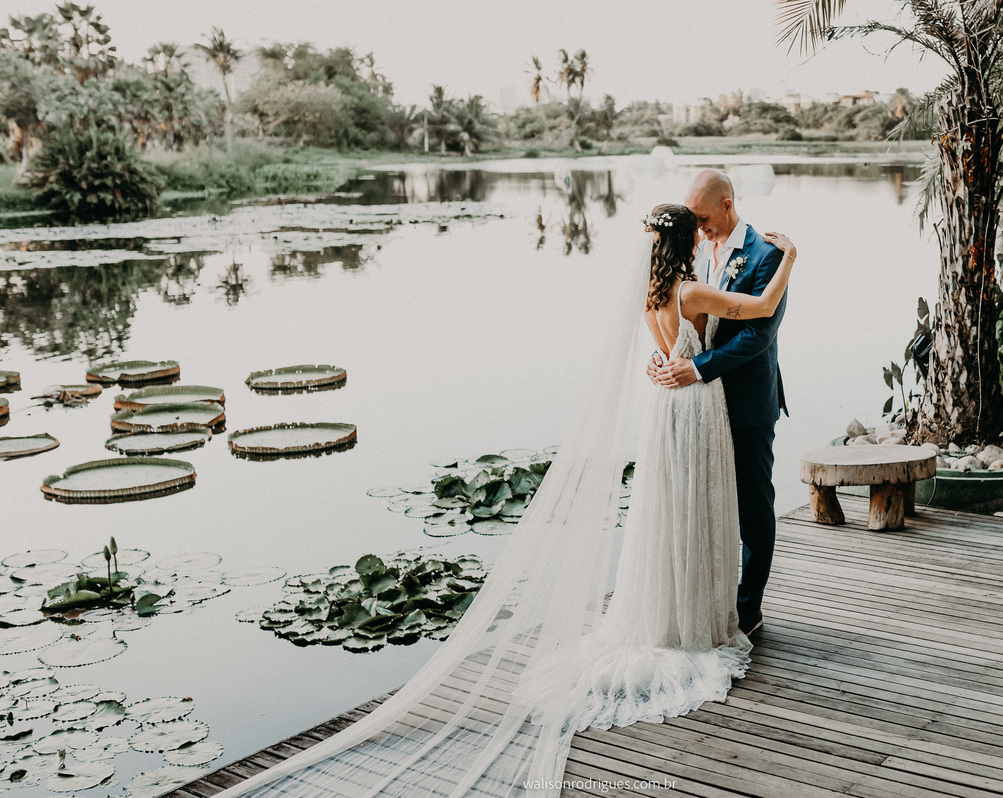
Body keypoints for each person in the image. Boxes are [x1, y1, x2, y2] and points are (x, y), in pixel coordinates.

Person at [215, 204, 796, 798]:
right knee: (691, 512)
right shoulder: (693, 291)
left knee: (666, 512)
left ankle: (665, 612)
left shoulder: (649, 296)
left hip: (662, 408)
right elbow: (762, 308)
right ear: (687, 241)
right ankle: (695, 617)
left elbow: (671, 342)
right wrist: (791, 258)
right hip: (693, 408)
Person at [650, 170, 789, 638]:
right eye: (692, 221)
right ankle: (709, 608)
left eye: (704, 218)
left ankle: (748, 610)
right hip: (696, 409)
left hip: (746, 402)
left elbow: (759, 333)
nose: (699, 227)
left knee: (753, 509)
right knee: (703, 508)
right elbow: (674, 321)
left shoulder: (765, 255)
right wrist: (662, 359)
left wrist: (698, 367)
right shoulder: (689, 259)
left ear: (727, 205)